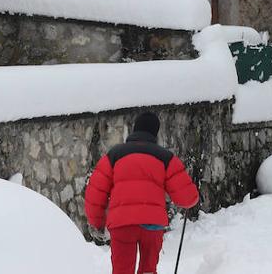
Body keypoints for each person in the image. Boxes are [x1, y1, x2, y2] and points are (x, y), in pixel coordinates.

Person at [85, 110, 200, 274]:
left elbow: (95, 192)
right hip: (152, 225)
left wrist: (97, 222)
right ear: (155, 133)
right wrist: (191, 199)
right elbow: (188, 198)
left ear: (135, 130)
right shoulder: (165, 157)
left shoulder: (114, 155)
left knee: (122, 271)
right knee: (148, 270)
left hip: (122, 223)